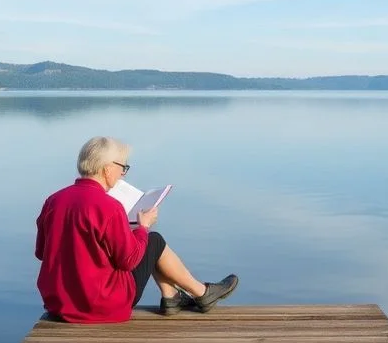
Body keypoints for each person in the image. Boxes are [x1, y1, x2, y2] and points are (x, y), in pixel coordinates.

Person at [34, 136, 239, 323]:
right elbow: (129, 260)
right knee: (153, 240)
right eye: (122, 167)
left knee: (147, 241)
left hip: (60, 305)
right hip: (102, 305)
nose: (123, 174)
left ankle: (172, 297)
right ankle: (201, 293)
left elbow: (42, 252)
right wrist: (142, 227)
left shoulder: (53, 201)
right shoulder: (109, 207)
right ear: (107, 169)